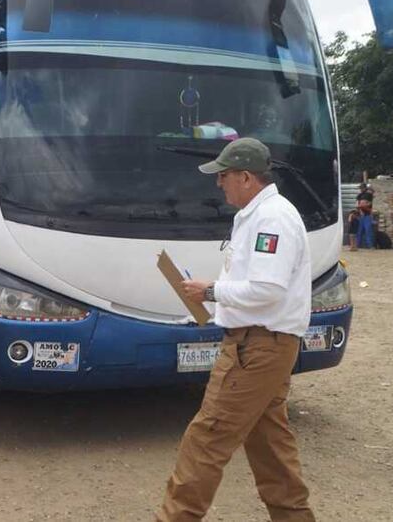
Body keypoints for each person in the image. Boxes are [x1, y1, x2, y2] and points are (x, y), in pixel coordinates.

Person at [158, 138, 315, 521]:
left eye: (224, 175)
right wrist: (213, 299)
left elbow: (267, 289)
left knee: (207, 438)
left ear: (246, 177)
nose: (218, 183)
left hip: (256, 347)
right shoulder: (260, 214)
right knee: (270, 445)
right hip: (262, 344)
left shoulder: (271, 218)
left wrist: (210, 291)